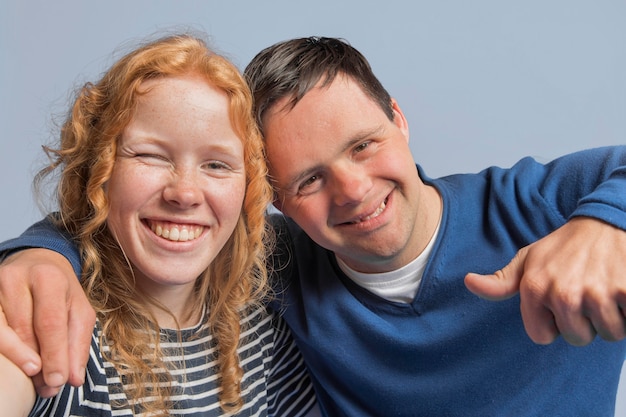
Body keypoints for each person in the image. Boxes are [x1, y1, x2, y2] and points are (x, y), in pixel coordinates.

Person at [2, 36, 626, 416]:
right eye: (307, 180)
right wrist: (41, 256)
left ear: (399, 119)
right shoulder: (277, 268)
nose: (353, 190)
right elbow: (136, 222)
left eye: (363, 145)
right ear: (268, 199)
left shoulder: (542, 207)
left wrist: (605, 225)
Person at [0, 33, 317, 416]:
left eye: (216, 164)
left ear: (250, 187)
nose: (184, 194)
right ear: (98, 170)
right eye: (150, 155)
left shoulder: (260, 326)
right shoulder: (56, 325)